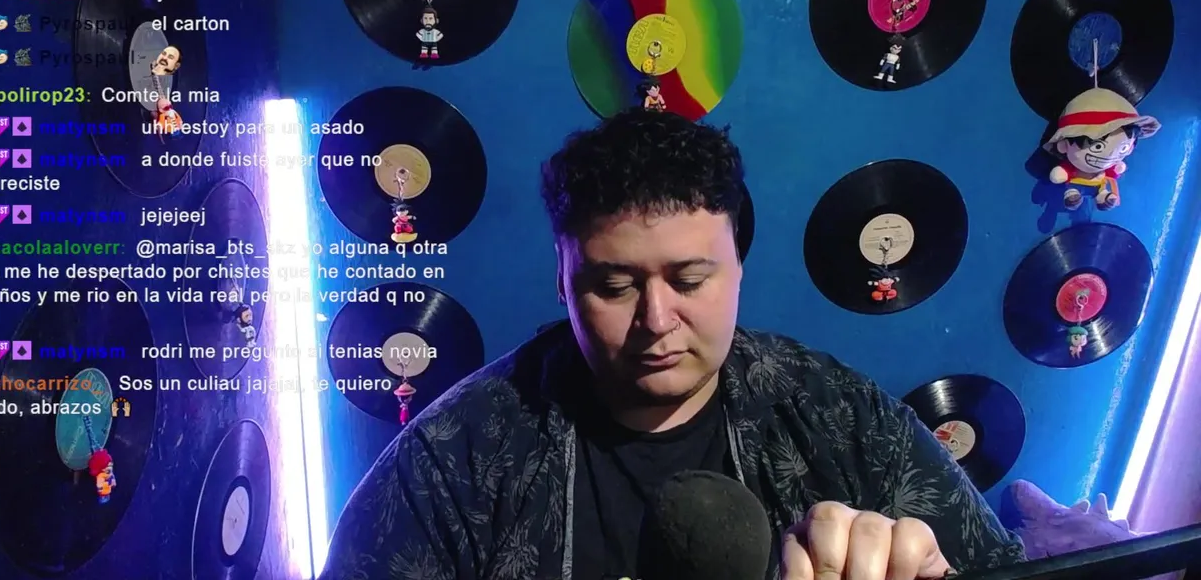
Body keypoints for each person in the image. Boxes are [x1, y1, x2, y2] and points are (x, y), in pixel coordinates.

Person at [323, 109, 1026, 580]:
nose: (656, 320)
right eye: (614, 285)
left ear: (738, 266)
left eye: (689, 280)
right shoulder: (455, 460)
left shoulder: (847, 422)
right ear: (562, 282)